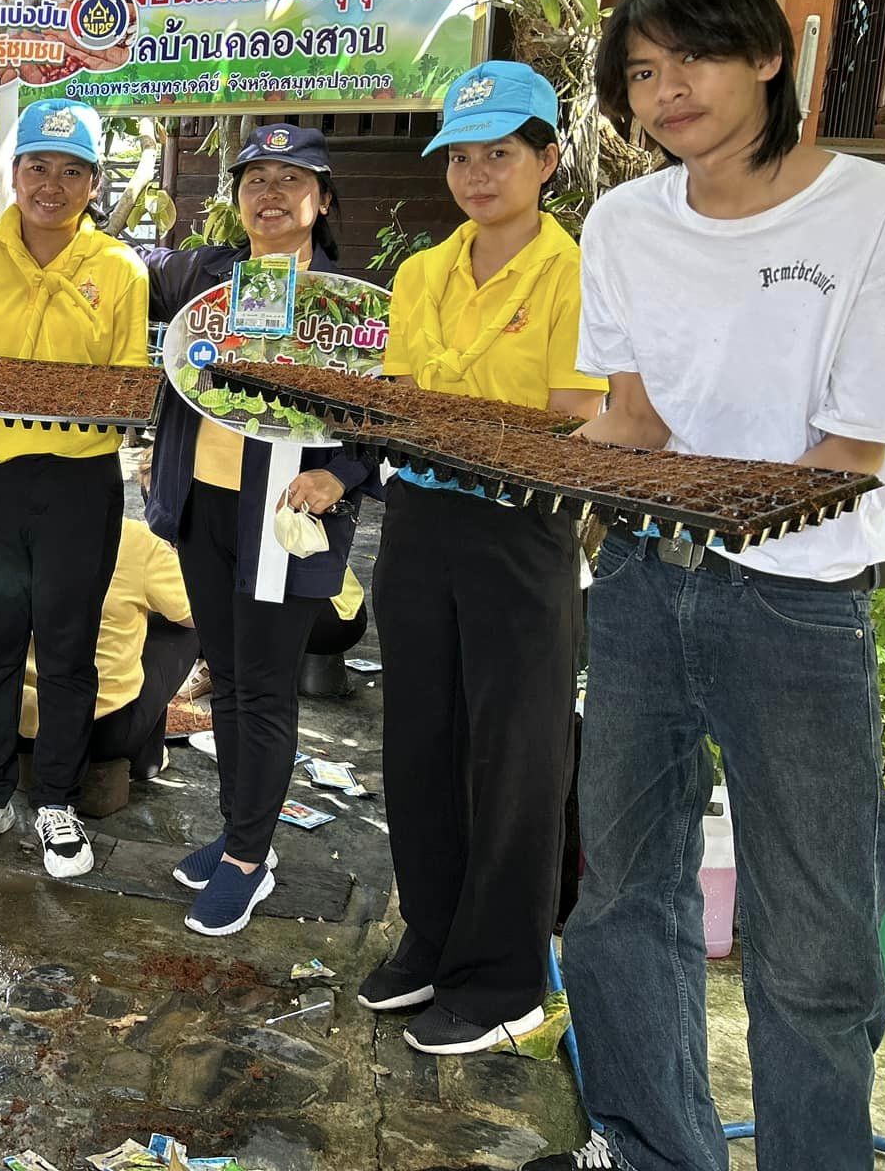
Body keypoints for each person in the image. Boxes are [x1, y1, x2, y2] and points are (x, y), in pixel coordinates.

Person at [525, 0, 885, 1171]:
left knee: (813, 939)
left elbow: (849, 448)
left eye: (688, 56)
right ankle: (648, 1148)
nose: (664, 90)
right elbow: (630, 424)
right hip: (646, 580)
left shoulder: (875, 210)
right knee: (619, 898)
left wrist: (698, 508)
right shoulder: (625, 221)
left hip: (797, 608)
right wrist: (491, 455)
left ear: (764, 58)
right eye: (638, 73)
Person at [364, 60, 607, 1056]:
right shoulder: (420, 273)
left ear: (546, 160)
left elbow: (575, 410)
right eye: (459, 157)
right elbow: (390, 393)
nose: (474, 174)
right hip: (417, 521)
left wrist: (449, 417)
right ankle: (432, 934)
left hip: (519, 529)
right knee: (418, 742)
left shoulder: (576, 273)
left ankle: (502, 976)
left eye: (497, 154)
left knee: (513, 754)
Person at [140, 124, 374, 936]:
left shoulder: (349, 307)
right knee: (229, 677)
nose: (270, 195)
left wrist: (340, 473)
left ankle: (247, 859)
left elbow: (388, 417)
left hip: (287, 512)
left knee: (267, 687)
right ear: (236, 198)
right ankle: (246, 835)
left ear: (323, 199)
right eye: (255, 180)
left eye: (291, 180)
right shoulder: (204, 277)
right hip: (203, 505)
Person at [0, 98, 150, 880]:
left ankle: (55, 799)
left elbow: (127, 385)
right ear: (12, 172)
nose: (51, 185)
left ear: (93, 182)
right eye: (37, 166)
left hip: (80, 480)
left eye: (71, 170)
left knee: (66, 647)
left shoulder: (120, 270)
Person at [15, 515, 196, 784]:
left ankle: (149, 756)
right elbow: (194, 614)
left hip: (20, 723)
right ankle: (144, 758)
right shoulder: (135, 539)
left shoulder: (23, 528)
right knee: (184, 628)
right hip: (99, 733)